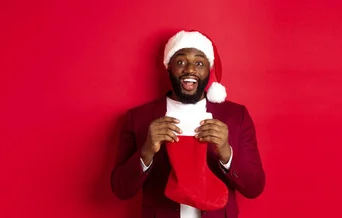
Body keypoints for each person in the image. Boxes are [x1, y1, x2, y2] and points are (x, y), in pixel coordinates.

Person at [110, 30, 265, 218]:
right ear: (169, 67)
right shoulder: (139, 118)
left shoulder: (235, 116)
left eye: (199, 63)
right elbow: (120, 189)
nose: (190, 69)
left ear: (209, 69)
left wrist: (226, 151)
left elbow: (254, 187)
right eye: (181, 62)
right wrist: (147, 151)